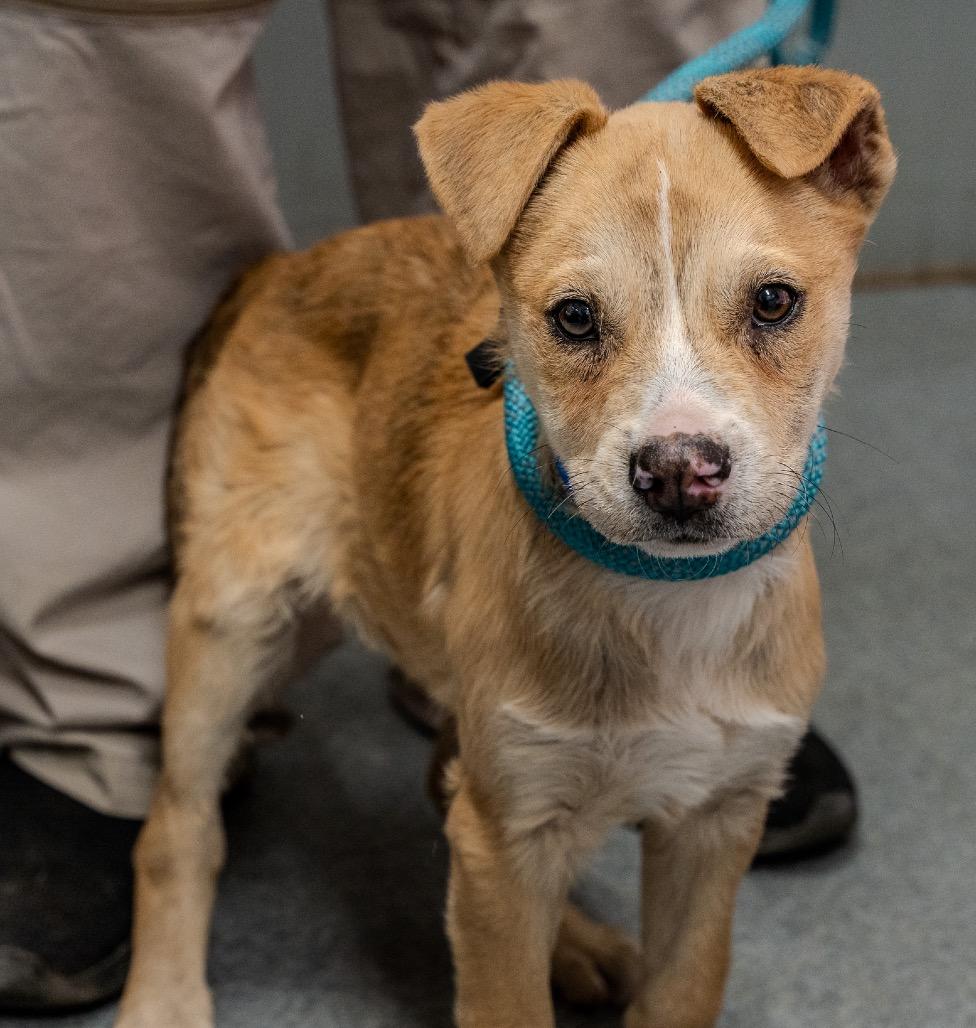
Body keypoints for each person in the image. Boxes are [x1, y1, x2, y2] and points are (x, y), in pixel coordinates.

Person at [0, 0, 856, 1012]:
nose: (681, 448)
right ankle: (163, 864)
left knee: (694, 806)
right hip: (319, 388)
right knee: (233, 650)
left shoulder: (806, 173)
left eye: (767, 306)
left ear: (851, 177)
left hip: (725, 631)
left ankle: (505, 769)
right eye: (578, 318)